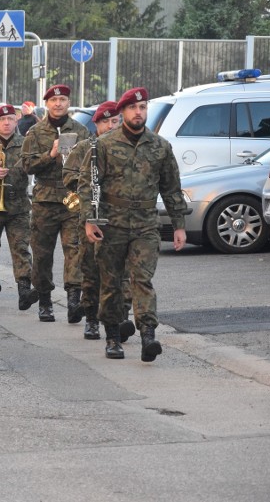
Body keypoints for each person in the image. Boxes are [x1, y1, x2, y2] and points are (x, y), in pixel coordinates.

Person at [79, 87, 187, 361]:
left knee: (142, 279)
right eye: (133, 108)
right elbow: (89, 185)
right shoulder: (103, 145)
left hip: (145, 224)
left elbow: (172, 188)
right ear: (122, 112)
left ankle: (148, 335)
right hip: (111, 222)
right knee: (112, 282)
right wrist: (89, 220)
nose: (138, 112)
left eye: (142, 108)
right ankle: (113, 336)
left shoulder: (160, 146)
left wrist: (178, 224)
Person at [20, 84, 89, 322]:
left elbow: (90, 165)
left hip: (72, 201)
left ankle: (73, 301)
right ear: (46, 104)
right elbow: (26, 166)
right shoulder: (36, 132)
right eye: (54, 100)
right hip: (45, 201)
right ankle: (45, 301)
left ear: (69, 103)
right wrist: (50, 155)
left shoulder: (80, 130)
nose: (58, 103)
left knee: (75, 250)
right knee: (42, 254)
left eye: (62, 99)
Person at [62, 101, 124, 340]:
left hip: (120, 217)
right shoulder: (84, 147)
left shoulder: (124, 148)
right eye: (105, 121)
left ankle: (118, 318)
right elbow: (68, 176)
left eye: (114, 121)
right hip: (91, 214)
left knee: (121, 271)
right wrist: (89, 181)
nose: (110, 125)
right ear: (96, 124)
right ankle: (91, 318)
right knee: (90, 269)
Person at [0, 104, 37, 311]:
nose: (7, 122)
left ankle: (24, 291)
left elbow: (33, 167)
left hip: (18, 205)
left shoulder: (26, 143)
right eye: (3, 119)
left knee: (21, 249)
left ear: (16, 121)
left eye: (11, 119)